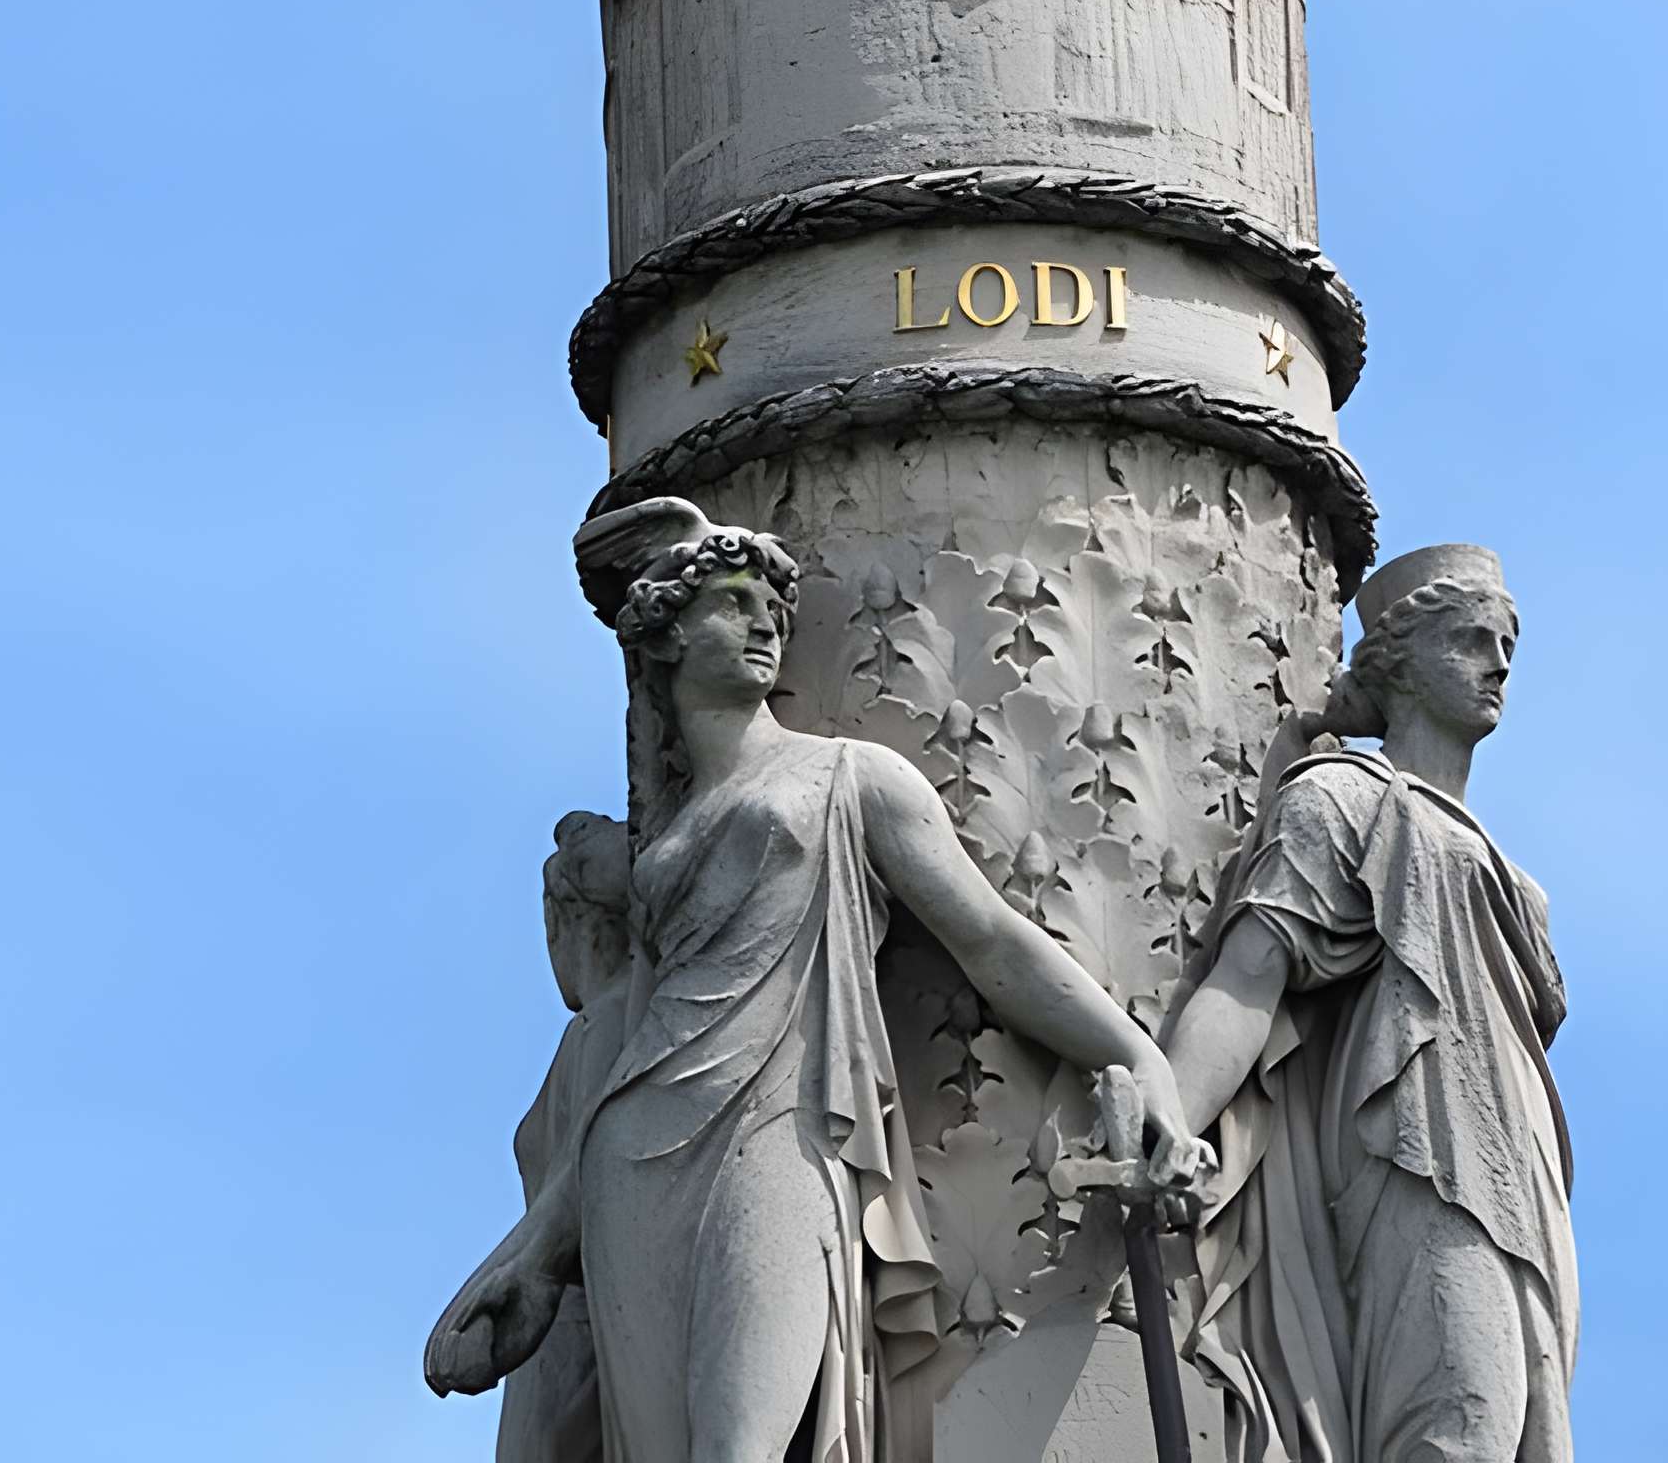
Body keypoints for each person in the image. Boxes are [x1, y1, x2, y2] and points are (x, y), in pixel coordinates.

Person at [426, 498, 1211, 1463]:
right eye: (732, 603)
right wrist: (534, 1255)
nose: (764, 625)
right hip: (631, 1156)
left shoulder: (852, 778)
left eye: (773, 609)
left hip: (783, 1133)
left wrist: (1139, 1058)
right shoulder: (662, 839)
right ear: (666, 637)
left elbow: (995, 944)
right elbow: (638, 1041)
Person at [1163, 545, 1578, 1462]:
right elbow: (1247, 978)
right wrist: (1170, 1122)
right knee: (1456, 1428)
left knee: (1537, 1441)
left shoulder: (1524, 889)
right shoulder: (1346, 798)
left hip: (1529, 1178)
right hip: (1423, 1147)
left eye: (1507, 641)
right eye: (1469, 637)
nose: (1499, 661)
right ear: (1396, 660)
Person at [494, 811, 631, 1463]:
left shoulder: (605, 1026)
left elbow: (589, 1165)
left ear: (566, 923)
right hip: (554, 1315)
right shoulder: (589, 1033)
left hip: (577, 1307)